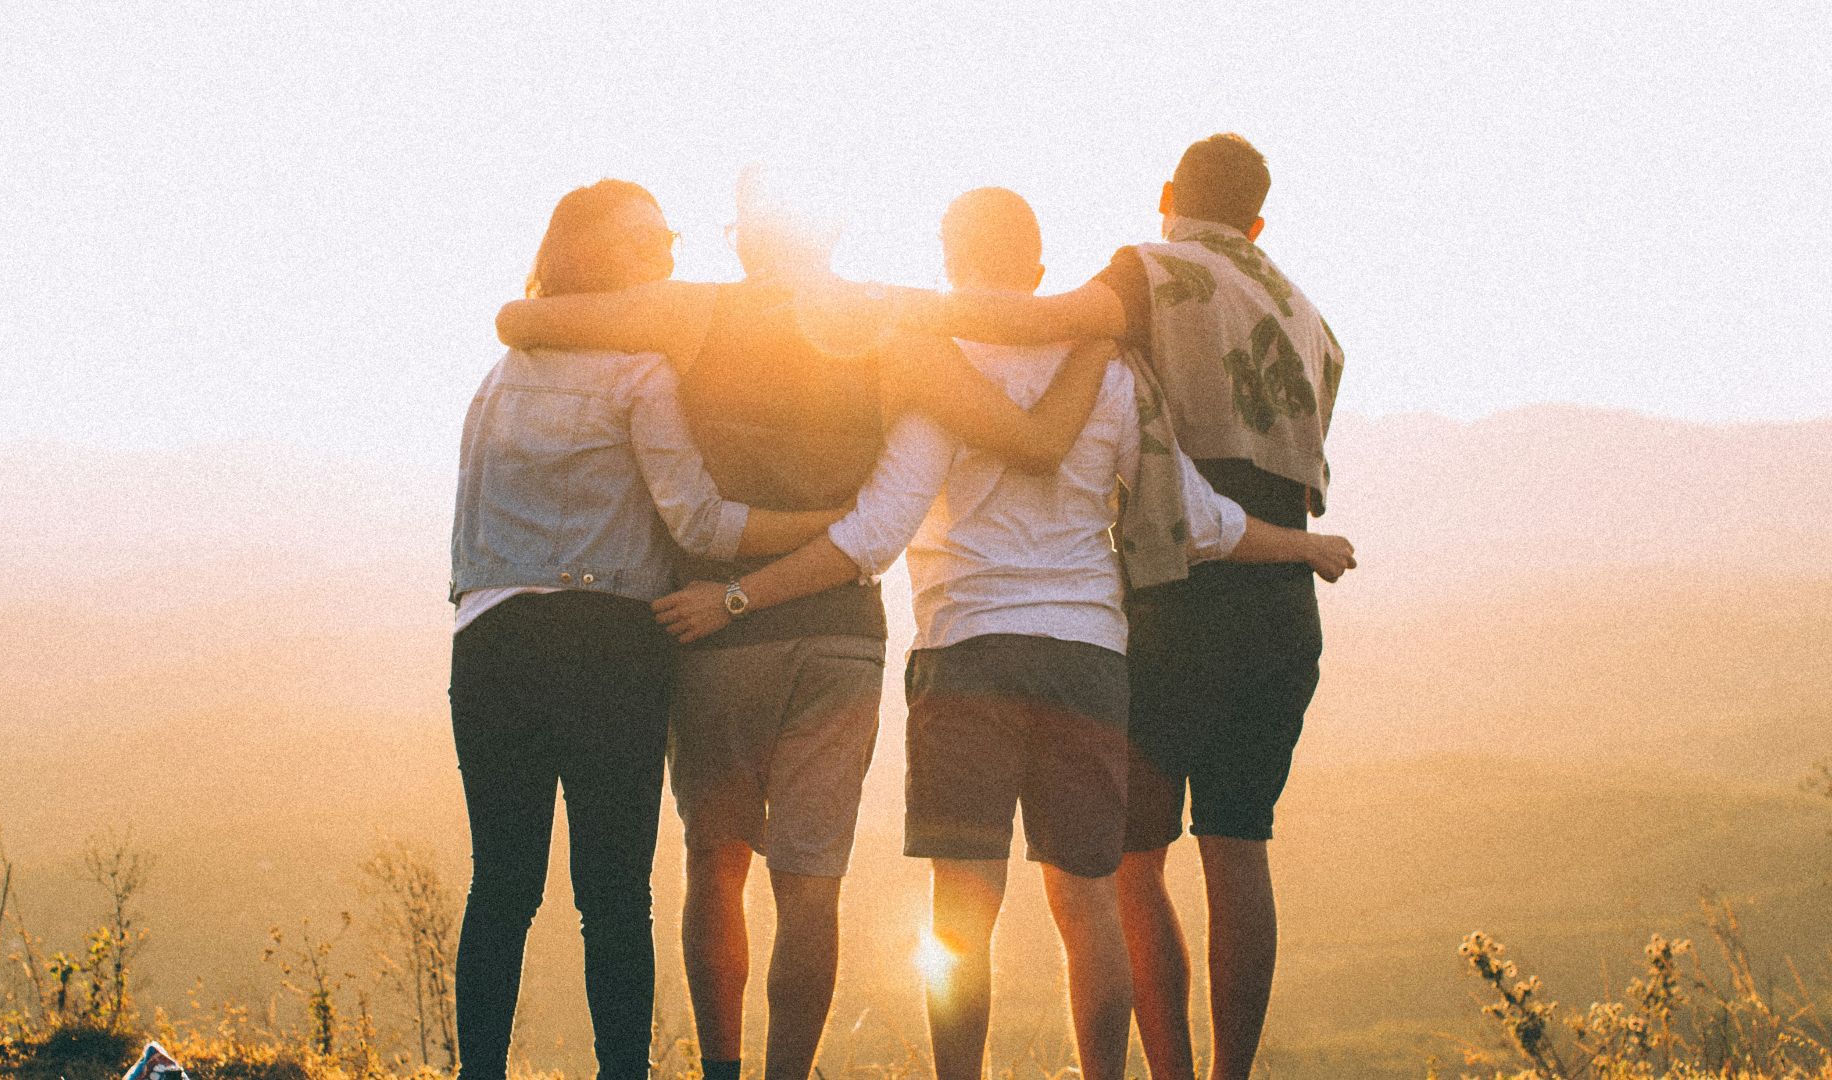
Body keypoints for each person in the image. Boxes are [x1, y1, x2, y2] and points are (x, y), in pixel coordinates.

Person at [652, 188, 1352, 1080]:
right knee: (1088, 902)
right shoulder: (1109, 368)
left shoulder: (937, 366)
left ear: (950, 261)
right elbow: (1197, 519)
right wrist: (1305, 545)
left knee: (962, 912)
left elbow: (874, 533)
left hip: (965, 652)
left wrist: (740, 597)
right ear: (1037, 264)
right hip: (1089, 657)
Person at [491, 167, 1112, 1080]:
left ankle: (723, 1072)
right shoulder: (892, 323)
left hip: (715, 628)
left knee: (717, 865)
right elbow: (1026, 433)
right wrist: (1100, 327)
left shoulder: (689, 311)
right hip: (841, 638)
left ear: (745, 235)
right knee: (810, 883)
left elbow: (520, 321)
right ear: (833, 230)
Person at [905, 135, 1348, 1080]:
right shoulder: (1307, 314)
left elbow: (1041, 323)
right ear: (1258, 220)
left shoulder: (1151, 271)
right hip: (1278, 597)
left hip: (1175, 594)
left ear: (1166, 197)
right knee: (1239, 850)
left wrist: (882, 311)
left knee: (1130, 867)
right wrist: (1306, 546)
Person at [448, 179, 848, 1080]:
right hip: (607, 648)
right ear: (590, 254)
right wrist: (826, 524)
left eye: (668, 234)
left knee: (501, 885)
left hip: (490, 643)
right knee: (614, 894)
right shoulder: (640, 373)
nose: (665, 253)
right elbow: (701, 526)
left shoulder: (497, 377)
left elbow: (471, 529)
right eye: (643, 241)